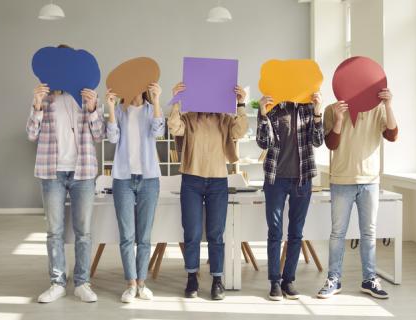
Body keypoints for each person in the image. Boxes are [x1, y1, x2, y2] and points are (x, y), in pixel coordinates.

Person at [26, 45, 105, 303]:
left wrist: (93, 109)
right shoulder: (45, 100)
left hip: (83, 172)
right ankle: (57, 282)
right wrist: (36, 106)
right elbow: (31, 134)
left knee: (83, 231)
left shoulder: (86, 98)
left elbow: (98, 135)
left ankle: (82, 282)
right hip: (52, 172)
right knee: (54, 231)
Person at [168, 82, 248, 300]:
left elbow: (240, 131)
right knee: (192, 233)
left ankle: (217, 280)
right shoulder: (189, 117)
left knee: (216, 233)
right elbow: (174, 126)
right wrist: (175, 100)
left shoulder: (224, 119)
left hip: (217, 181)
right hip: (191, 180)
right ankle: (192, 277)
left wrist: (241, 103)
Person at [317, 88, 398, 299]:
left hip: (370, 181)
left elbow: (392, 135)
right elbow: (331, 144)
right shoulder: (331, 109)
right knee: (337, 234)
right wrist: (339, 119)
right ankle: (333, 279)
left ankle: (369, 279)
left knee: (369, 234)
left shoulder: (378, 109)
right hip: (341, 181)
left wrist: (388, 105)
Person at [256, 94, 324, 300]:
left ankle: (289, 281)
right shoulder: (274, 107)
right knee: (275, 232)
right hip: (275, 179)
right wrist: (262, 113)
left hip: (302, 180)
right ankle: (275, 282)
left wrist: (318, 111)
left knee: (296, 233)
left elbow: (318, 141)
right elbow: (263, 142)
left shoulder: (307, 108)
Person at [105, 83, 165, 303]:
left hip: (149, 179)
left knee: (145, 237)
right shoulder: (120, 111)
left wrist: (157, 101)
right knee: (127, 236)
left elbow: (159, 132)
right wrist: (111, 108)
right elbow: (112, 138)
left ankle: (142, 283)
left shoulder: (151, 110)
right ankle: (130, 284)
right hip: (123, 179)